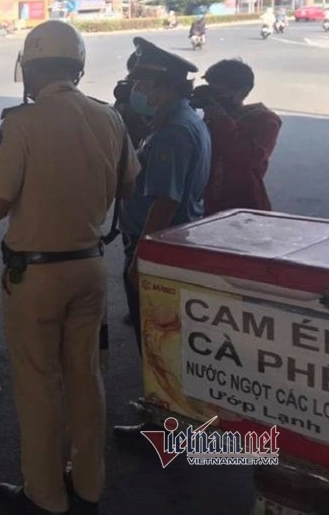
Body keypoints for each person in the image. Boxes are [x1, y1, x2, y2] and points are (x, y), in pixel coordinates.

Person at [0, 20, 139, 514]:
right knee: (86, 377)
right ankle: (88, 484)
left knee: (39, 384)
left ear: (30, 71)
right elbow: (128, 186)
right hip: (90, 267)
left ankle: (45, 495)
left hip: (36, 275)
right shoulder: (110, 118)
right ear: (78, 69)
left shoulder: (21, 123)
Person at [113, 38, 211, 437]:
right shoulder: (183, 121)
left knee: (158, 342)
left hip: (160, 250)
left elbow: (165, 202)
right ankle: (175, 419)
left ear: (168, 86)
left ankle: (164, 427)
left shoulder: (172, 133)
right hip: (173, 246)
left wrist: (142, 259)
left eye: (144, 84)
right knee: (168, 341)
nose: (138, 91)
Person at [198, 59, 282, 215]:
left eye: (219, 92)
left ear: (242, 92)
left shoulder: (265, 120)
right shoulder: (215, 117)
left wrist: (221, 120)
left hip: (246, 204)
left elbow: (249, 157)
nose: (213, 97)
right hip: (212, 203)